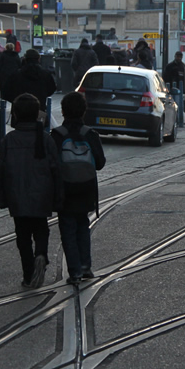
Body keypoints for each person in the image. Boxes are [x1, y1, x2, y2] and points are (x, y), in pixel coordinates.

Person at [0, 93, 62, 289]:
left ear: (15, 114)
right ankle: (41, 254)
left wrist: (1, 196)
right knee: (41, 228)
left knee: (22, 235)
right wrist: (58, 196)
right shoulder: (46, 139)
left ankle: (28, 273)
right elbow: (55, 169)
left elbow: (1, 169)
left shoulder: (9, 140)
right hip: (42, 194)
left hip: (17, 195)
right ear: (37, 114)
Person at [51, 91, 105, 285]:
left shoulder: (57, 135)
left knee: (67, 229)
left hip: (65, 190)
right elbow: (100, 163)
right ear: (84, 111)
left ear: (63, 112)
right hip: (86, 188)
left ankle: (74, 270)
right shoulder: (90, 134)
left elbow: (51, 164)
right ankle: (85, 266)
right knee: (83, 225)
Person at [2, 49, 57, 114]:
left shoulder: (16, 75)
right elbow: (52, 88)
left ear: (25, 59)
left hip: (19, 110)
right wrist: (42, 94)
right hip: (39, 108)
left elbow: (6, 92)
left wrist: (17, 100)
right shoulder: (45, 74)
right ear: (39, 59)